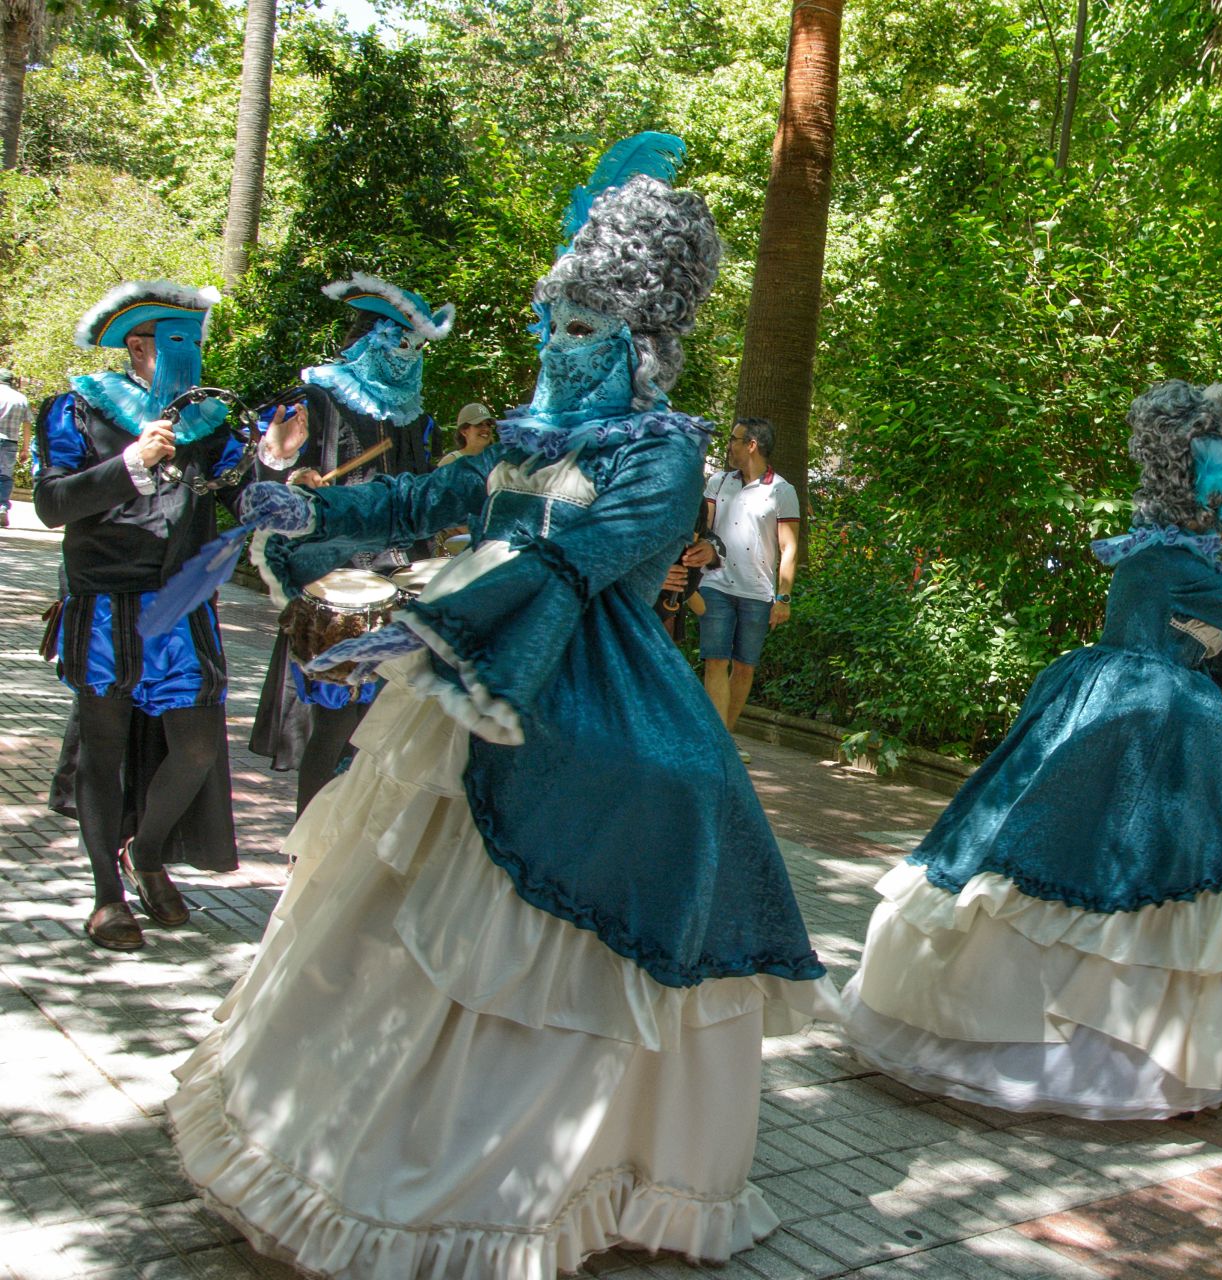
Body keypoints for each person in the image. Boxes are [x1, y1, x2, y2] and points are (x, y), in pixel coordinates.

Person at [168, 143, 839, 1277]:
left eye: (583, 329)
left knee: (640, 840)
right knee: (403, 911)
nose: (555, 345)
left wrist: (442, 628)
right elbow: (431, 493)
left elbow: (584, 560)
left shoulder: (666, 456)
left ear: (642, 344)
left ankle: (580, 1164)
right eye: (553, 322)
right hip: (466, 682)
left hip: (587, 689)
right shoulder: (524, 439)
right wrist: (308, 508)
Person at [840, 377, 1222, 1120]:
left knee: (1054, 856)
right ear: (1192, 465)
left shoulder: (1164, 554)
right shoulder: (1174, 561)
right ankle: (1092, 1063)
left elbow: (1220, 634)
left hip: (1118, 708)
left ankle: (1074, 1044)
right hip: (1153, 725)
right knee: (1129, 869)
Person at [32, 282, 306, 950]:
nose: (189, 357)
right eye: (173, 344)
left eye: (195, 343)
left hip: (183, 606)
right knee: (103, 752)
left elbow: (249, 503)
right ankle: (106, 896)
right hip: (104, 604)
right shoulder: (75, 410)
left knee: (194, 747)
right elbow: (50, 505)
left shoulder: (209, 420)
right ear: (137, 347)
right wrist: (132, 462)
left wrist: (274, 455)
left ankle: (146, 852)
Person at [247, 274, 453, 814]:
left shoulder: (417, 420)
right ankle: (304, 855)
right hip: (335, 586)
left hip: (400, 587)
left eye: (417, 347)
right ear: (367, 338)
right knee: (335, 722)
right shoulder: (314, 399)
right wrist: (283, 470)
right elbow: (257, 484)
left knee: (390, 727)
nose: (407, 356)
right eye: (398, 341)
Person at [698, 416, 797, 751]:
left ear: (751, 445)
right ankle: (717, 743)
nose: (729, 445)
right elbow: (704, 528)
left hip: (757, 591)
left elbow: (790, 546)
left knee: (744, 666)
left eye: (734, 439)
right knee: (715, 659)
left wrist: (783, 597)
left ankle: (724, 739)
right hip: (716, 583)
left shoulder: (782, 491)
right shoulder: (718, 482)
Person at [0, 368, 28, 528]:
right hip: (10, 442)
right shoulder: (21, 399)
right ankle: (2, 507)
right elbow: (27, 423)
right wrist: (25, 448)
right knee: (4, 477)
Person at [438, 401, 494, 466]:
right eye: (478, 424)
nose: (486, 429)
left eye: (488, 424)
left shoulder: (497, 460)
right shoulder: (450, 462)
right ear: (463, 431)